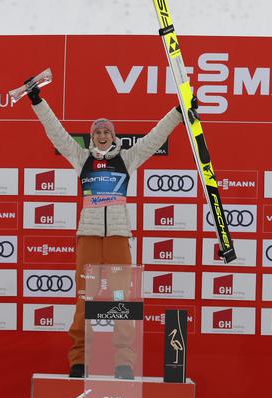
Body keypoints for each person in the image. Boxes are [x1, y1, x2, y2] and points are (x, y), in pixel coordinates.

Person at [25, 81, 188, 378]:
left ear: (114, 137)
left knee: (120, 300)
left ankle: (123, 362)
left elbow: (154, 138)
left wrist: (178, 112)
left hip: (117, 236)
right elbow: (56, 132)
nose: (102, 136)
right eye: (97, 132)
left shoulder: (128, 159)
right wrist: (37, 100)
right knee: (84, 299)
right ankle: (78, 360)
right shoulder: (81, 158)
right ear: (92, 137)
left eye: (107, 132)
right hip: (88, 237)